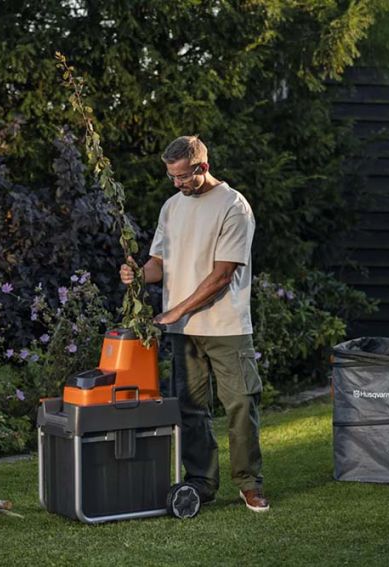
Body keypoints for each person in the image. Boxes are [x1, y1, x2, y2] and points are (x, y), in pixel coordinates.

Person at [119, 135, 269, 512]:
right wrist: (137, 274)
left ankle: (249, 483)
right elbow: (160, 263)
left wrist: (174, 311)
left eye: (183, 176)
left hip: (227, 327)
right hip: (182, 333)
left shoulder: (234, 207)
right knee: (188, 409)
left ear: (202, 167)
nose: (177, 184)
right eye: (172, 177)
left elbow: (222, 275)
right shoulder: (172, 207)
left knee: (239, 403)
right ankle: (201, 481)